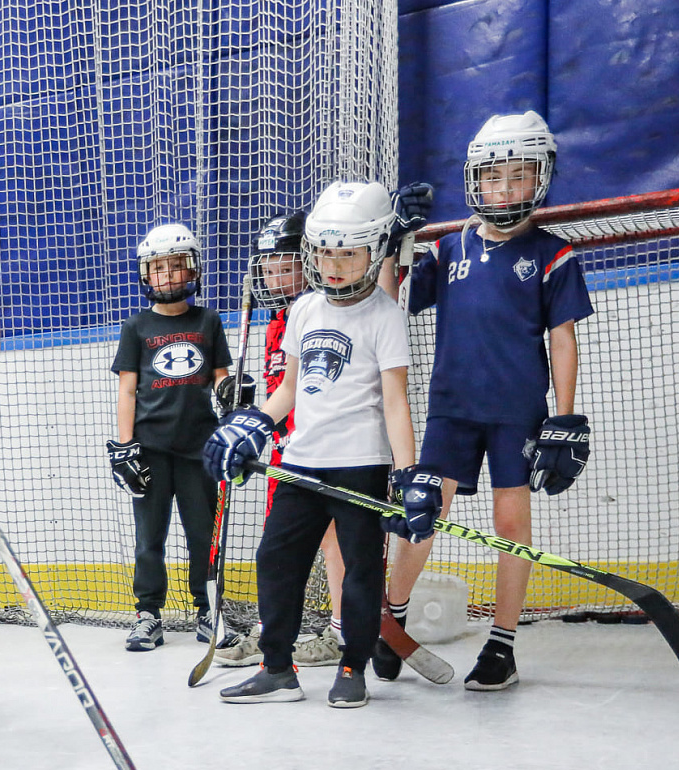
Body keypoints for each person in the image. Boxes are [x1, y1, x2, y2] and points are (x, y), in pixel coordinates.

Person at [203, 181, 437, 708]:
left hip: (361, 464)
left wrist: (407, 475)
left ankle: (353, 667)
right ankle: (277, 669)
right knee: (275, 560)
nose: (333, 265)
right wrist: (253, 424)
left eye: (348, 254)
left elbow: (395, 402)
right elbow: (289, 389)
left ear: (374, 251)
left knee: (359, 573)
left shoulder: (384, 314)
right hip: (301, 463)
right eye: (325, 252)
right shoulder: (305, 309)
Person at [382, 110, 593, 691]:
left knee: (510, 521)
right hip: (450, 408)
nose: (504, 189)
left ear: (540, 178)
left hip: (516, 413)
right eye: (493, 177)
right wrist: (397, 240)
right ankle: (391, 622)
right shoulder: (448, 249)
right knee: (423, 513)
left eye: (518, 176)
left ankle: (502, 645)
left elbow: (562, 338)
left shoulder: (553, 254)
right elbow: (390, 299)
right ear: (475, 180)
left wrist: (566, 417)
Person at [213, 211, 347, 670]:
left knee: (333, 539)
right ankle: (272, 628)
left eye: (285, 267)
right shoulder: (277, 321)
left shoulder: (321, 313)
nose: (275, 278)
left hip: (328, 450)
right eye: (268, 269)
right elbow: (282, 389)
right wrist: (247, 407)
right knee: (277, 546)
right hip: (285, 452)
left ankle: (341, 632)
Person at [108, 223, 231, 651]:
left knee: (203, 536)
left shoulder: (208, 321)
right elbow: (127, 390)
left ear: (192, 269)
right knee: (150, 539)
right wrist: (125, 447)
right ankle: (148, 614)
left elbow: (220, 379)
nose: (168, 275)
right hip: (150, 451)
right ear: (146, 274)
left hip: (200, 449)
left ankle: (208, 609)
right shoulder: (136, 326)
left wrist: (233, 392)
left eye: (176, 266)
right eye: (158, 268)